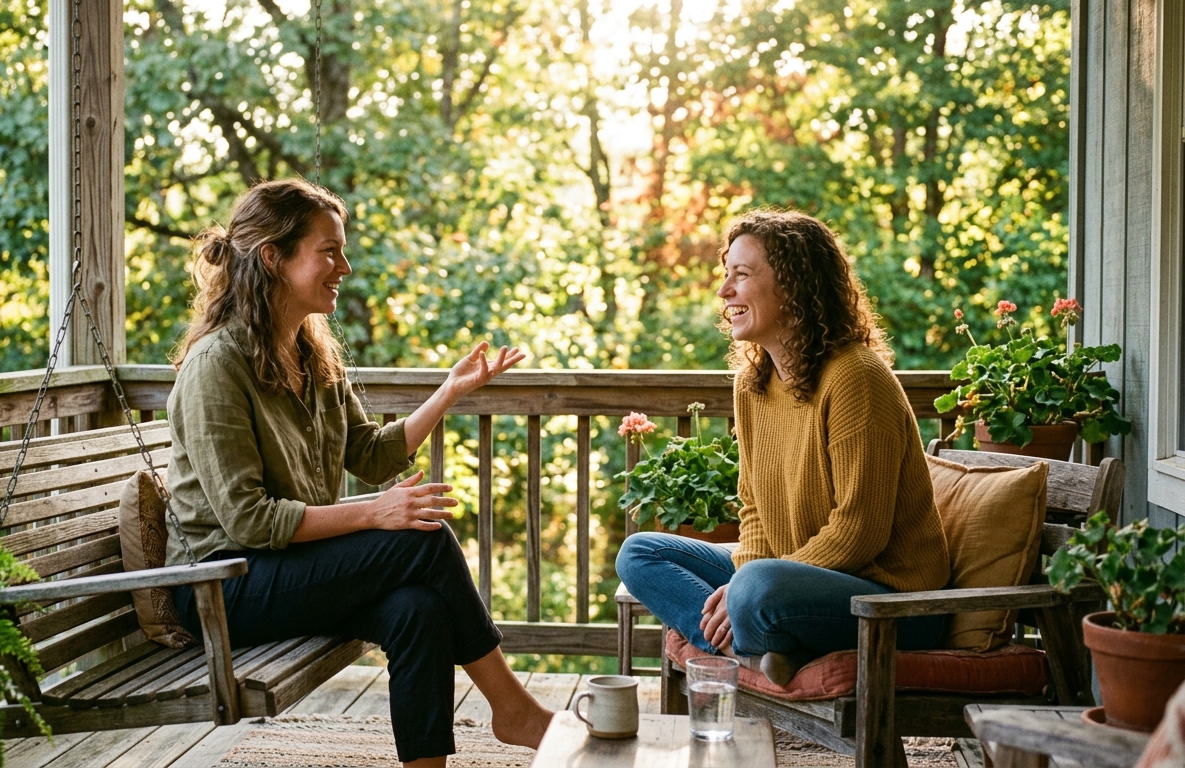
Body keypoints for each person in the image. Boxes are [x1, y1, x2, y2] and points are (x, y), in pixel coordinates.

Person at [164, 178, 553, 766]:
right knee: (424, 540)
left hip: (285, 569)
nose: (343, 265)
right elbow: (246, 520)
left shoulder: (309, 351)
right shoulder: (216, 366)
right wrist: (376, 513)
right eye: (329, 250)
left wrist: (448, 392)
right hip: (222, 587)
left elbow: (369, 453)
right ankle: (514, 709)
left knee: (417, 611)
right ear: (273, 257)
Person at [616, 210, 951, 687]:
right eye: (726, 273)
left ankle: (753, 643)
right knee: (641, 553)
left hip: (891, 602)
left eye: (743, 275)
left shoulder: (856, 378)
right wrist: (746, 580)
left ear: (793, 286)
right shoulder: (752, 384)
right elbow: (752, 507)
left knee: (755, 587)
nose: (724, 291)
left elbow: (859, 532)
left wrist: (747, 586)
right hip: (789, 582)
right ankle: (756, 653)